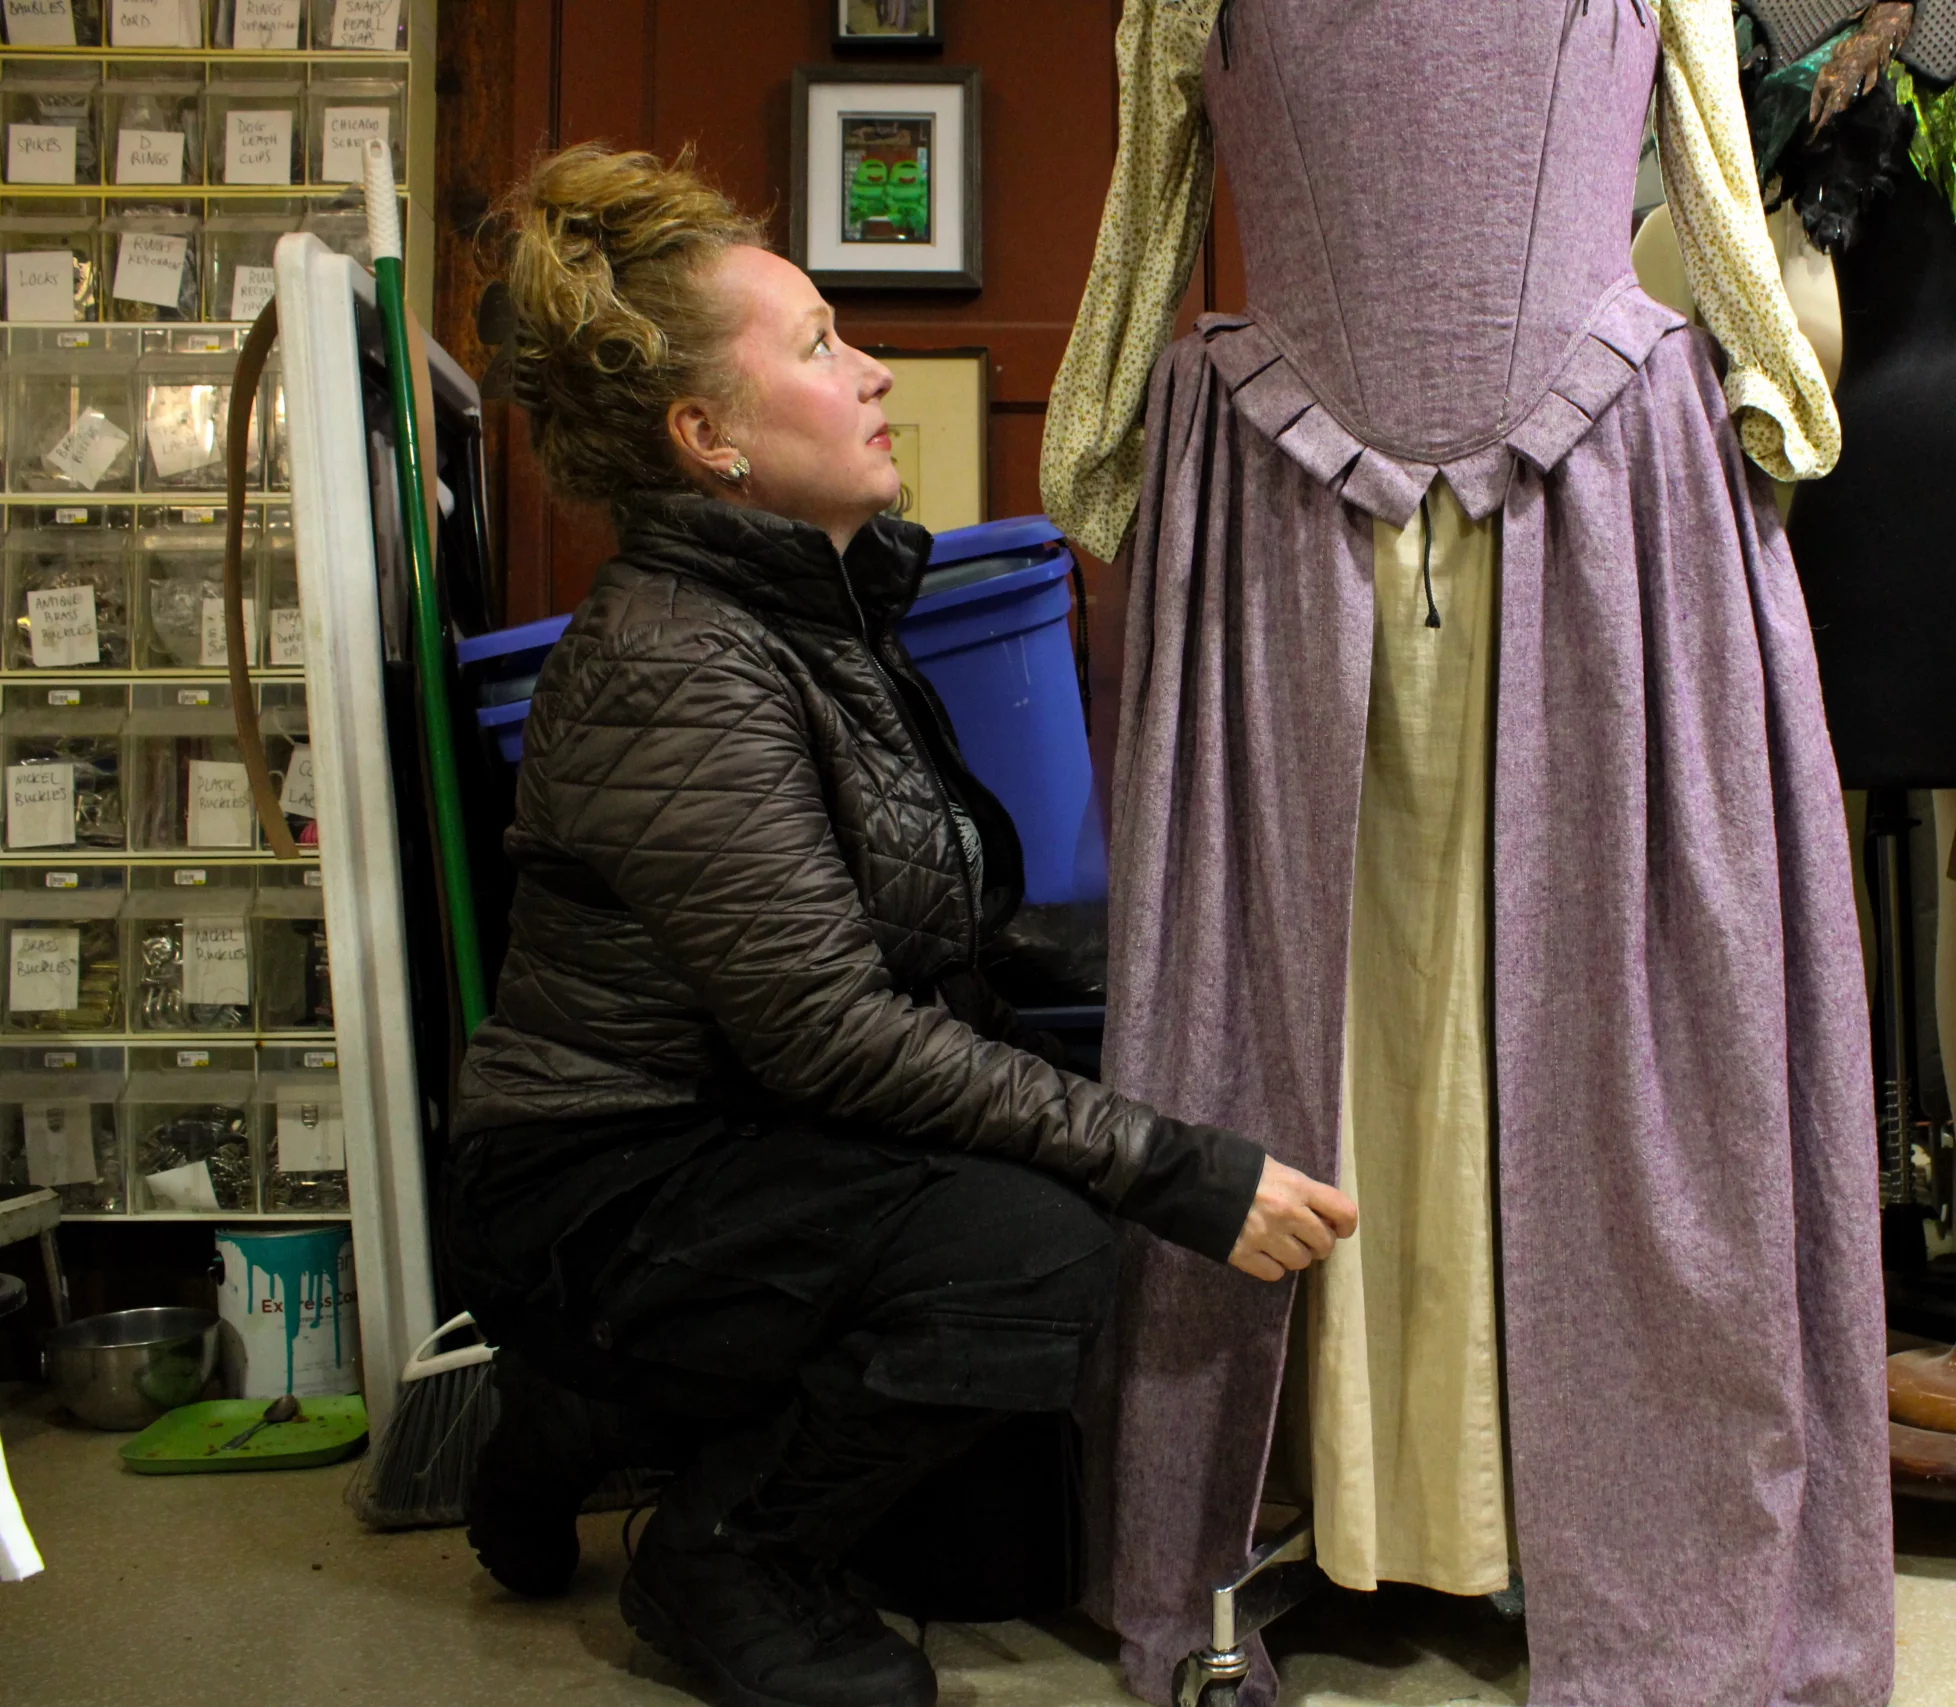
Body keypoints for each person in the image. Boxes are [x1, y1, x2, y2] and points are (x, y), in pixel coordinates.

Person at [438, 144, 1358, 1707]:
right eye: (815, 348)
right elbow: (829, 1028)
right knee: (1034, 1249)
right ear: (706, 438)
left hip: (744, 1142)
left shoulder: (815, 605)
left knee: (997, 1516)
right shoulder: (680, 663)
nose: (870, 373)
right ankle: (720, 1548)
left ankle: (588, 1413)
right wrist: (1172, 1167)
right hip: (609, 1175)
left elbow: (914, 937)